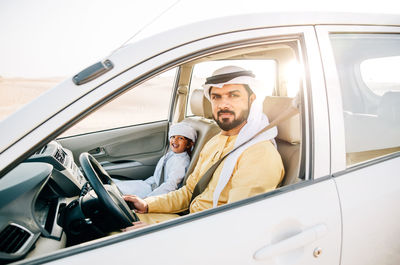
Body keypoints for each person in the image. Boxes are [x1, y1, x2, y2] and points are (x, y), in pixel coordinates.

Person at [124, 65, 284, 227]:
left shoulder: (259, 154)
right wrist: (147, 204)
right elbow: (189, 192)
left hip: (204, 232)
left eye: (233, 95)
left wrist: (156, 231)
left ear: (252, 100)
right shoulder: (215, 141)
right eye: (216, 97)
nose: (223, 105)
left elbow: (236, 223)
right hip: (189, 222)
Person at [114, 122, 197, 198]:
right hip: (150, 185)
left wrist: (148, 198)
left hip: (156, 193)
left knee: (115, 191)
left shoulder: (181, 163)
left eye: (180, 138)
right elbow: (157, 176)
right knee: (115, 185)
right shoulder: (171, 154)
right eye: (173, 137)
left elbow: (170, 186)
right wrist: (144, 183)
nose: (175, 140)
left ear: (189, 144)